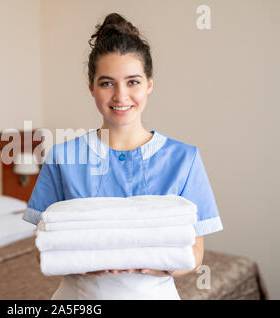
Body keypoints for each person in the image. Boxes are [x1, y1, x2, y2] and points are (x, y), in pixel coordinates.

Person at [22, 12, 223, 300]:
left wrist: (153, 266)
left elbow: (194, 254)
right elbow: (44, 254)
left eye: (133, 82)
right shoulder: (63, 157)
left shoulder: (184, 159)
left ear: (149, 84)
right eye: (107, 83)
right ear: (91, 86)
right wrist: (82, 264)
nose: (120, 96)